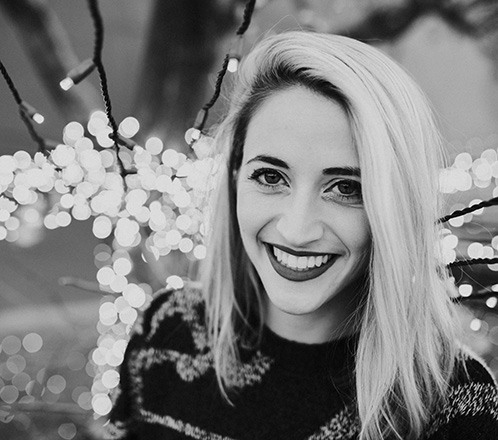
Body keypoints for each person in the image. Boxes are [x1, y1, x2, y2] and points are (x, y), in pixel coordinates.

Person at [104, 31, 498, 440]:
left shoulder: (451, 401)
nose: (296, 229)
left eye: (346, 188)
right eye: (271, 177)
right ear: (236, 176)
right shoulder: (168, 327)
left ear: (394, 205)